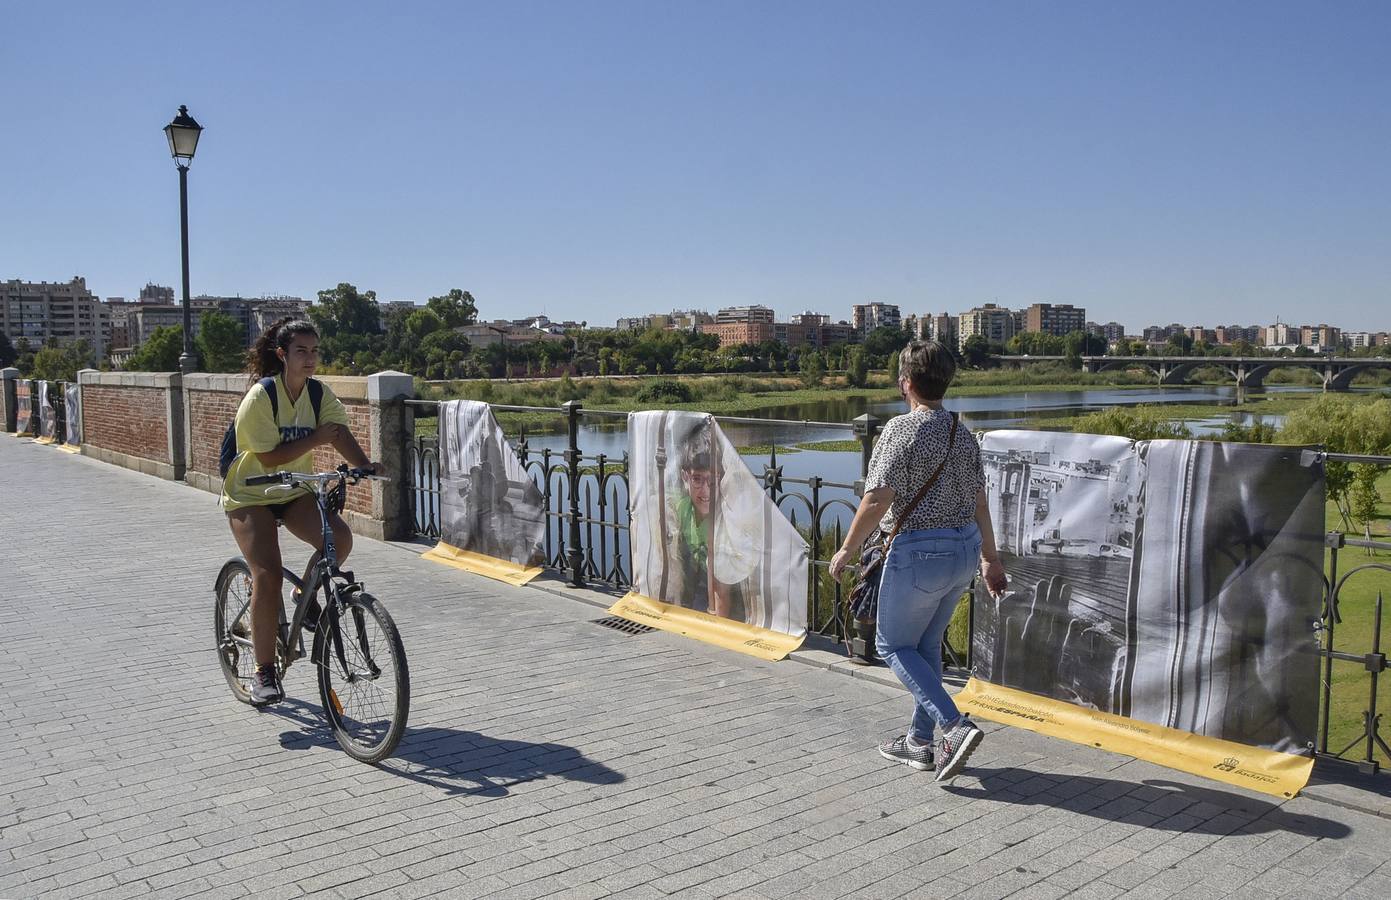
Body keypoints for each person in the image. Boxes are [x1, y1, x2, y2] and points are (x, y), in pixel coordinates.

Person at [830, 340, 1008, 781]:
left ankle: (953, 725)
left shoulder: (901, 430)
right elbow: (980, 501)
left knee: (892, 645)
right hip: (963, 551)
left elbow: (877, 499)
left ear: (905, 383)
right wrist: (990, 558)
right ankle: (919, 742)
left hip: (919, 552)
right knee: (925, 646)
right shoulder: (962, 434)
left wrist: (847, 549)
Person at [222, 318, 383, 705]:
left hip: (293, 489)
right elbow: (268, 456)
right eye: (301, 351)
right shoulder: (261, 398)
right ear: (282, 355)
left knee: (338, 540)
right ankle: (264, 673)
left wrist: (367, 467)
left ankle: (302, 594)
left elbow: (338, 433)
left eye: (314, 351)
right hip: (252, 493)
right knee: (267, 573)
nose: (310, 359)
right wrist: (314, 439)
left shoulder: (316, 394)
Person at [666, 420, 740, 620]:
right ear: (684, 477)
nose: (706, 490)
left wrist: (715, 625)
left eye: (712, 480)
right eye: (697, 479)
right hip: (698, 585)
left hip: (729, 593)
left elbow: (722, 588)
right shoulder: (682, 507)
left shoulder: (724, 518)